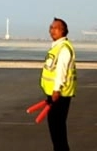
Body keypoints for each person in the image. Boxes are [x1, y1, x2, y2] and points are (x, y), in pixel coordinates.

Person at [41, 17, 77, 151]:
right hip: (54, 95)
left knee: (58, 130)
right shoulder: (56, 47)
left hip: (60, 95)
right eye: (50, 28)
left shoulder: (64, 49)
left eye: (55, 28)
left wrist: (56, 90)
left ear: (63, 31)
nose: (52, 30)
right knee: (56, 130)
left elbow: (61, 71)